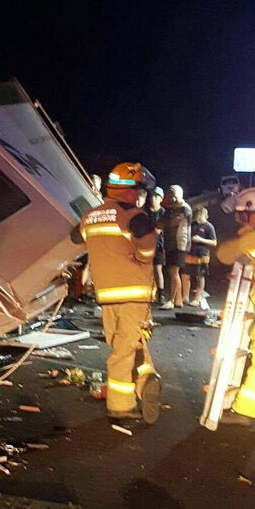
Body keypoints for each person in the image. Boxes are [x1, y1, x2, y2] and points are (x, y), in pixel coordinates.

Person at [72, 162, 161, 423]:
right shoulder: (134, 215)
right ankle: (121, 404)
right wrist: (143, 259)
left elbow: (75, 238)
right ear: (130, 191)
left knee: (124, 341)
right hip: (134, 293)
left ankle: (145, 379)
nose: (141, 196)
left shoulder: (90, 217)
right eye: (140, 191)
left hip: (107, 295)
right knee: (125, 347)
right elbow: (147, 245)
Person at [214, 188, 255, 423]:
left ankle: (247, 410)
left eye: (243, 215)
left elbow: (225, 254)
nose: (240, 220)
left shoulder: (253, 237)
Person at [158, 185, 192, 310]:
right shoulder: (170, 210)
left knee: (174, 271)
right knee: (172, 271)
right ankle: (178, 300)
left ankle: (171, 300)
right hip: (170, 243)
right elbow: (160, 224)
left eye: (174, 195)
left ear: (180, 195)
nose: (171, 198)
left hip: (181, 244)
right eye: (170, 195)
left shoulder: (184, 209)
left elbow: (171, 222)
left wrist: (166, 220)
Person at [182, 207, 216, 309]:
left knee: (199, 276)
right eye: (197, 216)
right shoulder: (192, 225)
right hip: (189, 253)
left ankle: (197, 299)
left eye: (200, 216)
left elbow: (214, 242)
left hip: (202, 255)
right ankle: (185, 297)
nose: (198, 218)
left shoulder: (209, 227)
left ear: (206, 216)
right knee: (185, 275)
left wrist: (201, 239)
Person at [146, 187, 167, 304]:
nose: (152, 199)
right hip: (145, 245)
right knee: (147, 270)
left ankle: (161, 294)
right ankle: (148, 293)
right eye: (151, 196)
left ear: (160, 198)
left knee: (158, 269)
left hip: (158, 245)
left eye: (155, 196)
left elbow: (160, 229)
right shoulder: (146, 212)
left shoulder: (163, 213)